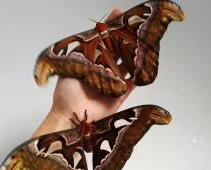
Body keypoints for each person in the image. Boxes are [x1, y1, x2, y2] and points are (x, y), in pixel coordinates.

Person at [32, 9, 135, 138]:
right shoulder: (92, 38)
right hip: (109, 49)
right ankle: (132, 53)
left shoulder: (84, 39)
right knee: (134, 58)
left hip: (106, 49)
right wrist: (63, 113)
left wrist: (62, 115)